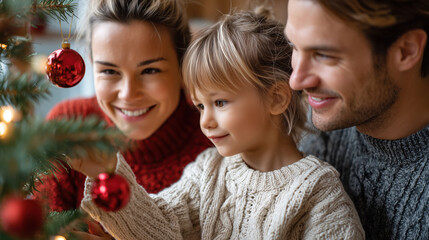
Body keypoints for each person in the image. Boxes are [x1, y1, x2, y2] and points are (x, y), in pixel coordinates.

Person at [68, 9, 364, 239]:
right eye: (200, 106)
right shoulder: (208, 171)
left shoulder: (317, 193)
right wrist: (107, 173)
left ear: (276, 98)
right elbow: (160, 227)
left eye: (219, 103)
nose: (205, 122)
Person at [34, 0, 212, 237]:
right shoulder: (67, 126)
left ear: (182, 66)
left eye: (150, 70)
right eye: (109, 71)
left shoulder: (215, 136)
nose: (128, 93)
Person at [284, 0, 429, 239]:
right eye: (295, 47)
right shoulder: (313, 128)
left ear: (406, 50)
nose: (296, 81)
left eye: (323, 55)